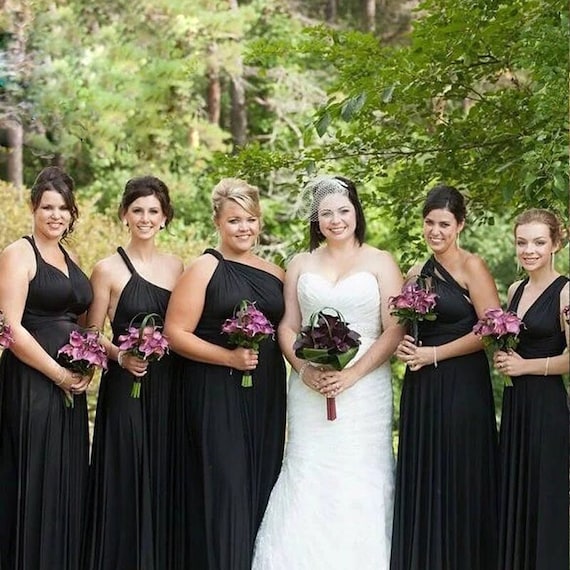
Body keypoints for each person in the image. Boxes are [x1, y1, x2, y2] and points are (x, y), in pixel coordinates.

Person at [252, 176, 403, 569]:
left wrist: (352, 375)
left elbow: (395, 329)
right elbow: (287, 326)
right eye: (326, 214)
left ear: (356, 213)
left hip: (365, 388)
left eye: (343, 211)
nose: (336, 220)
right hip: (309, 387)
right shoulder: (300, 263)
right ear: (316, 220)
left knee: (360, 474)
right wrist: (302, 369)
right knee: (308, 468)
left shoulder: (381, 261)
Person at [163, 178, 286, 570]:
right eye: (234, 220)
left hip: (266, 391)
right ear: (218, 221)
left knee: (262, 482)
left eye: (251, 219)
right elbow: (175, 334)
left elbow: (287, 330)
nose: (244, 228)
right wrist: (228, 358)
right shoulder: (204, 268)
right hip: (215, 389)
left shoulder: (276, 272)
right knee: (227, 487)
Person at [391, 184, 500, 570]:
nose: (435, 231)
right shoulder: (417, 272)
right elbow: (405, 329)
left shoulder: (473, 266)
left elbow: (491, 329)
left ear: (460, 225)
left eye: (444, 223)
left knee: (459, 475)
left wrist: (434, 353)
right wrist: (407, 348)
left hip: (462, 385)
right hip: (422, 386)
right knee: (427, 476)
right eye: (429, 222)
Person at [82, 176, 183, 570]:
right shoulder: (106, 269)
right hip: (126, 384)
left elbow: (183, 326)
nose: (145, 218)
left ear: (165, 217)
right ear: (124, 214)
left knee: (163, 469)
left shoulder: (177, 266)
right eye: (137, 210)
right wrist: (120, 356)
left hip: (170, 384)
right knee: (126, 470)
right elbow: (90, 332)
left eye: (153, 211)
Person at [0, 166, 93, 570]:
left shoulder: (71, 256)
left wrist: (86, 365)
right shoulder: (19, 253)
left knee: (64, 481)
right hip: (32, 387)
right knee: (34, 479)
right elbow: (11, 328)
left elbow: (80, 323)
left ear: (73, 213)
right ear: (33, 209)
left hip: (69, 388)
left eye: (63, 208)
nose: (55, 215)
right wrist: (57, 374)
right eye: (47, 207)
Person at [492, 209, 569, 570]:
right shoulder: (515, 289)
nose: (529, 250)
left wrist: (525, 366)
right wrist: (505, 357)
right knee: (517, 491)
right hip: (516, 404)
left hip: (547, 406)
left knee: (545, 494)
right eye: (522, 242)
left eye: (539, 242)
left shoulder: (567, 292)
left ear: (555, 244)